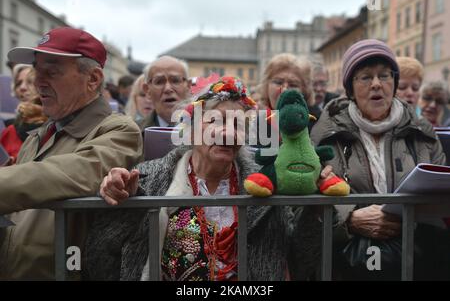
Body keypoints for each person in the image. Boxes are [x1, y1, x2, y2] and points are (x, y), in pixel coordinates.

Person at [84, 76, 331, 281]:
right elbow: (100, 258)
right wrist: (123, 201)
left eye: (238, 125)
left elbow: (300, 260)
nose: (229, 132)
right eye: (217, 121)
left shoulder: (266, 184)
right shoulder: (147, 180)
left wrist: (317, 209)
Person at [0, 27, 143, 280]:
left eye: (51, 71)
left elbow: (64, 174)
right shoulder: (38, 136)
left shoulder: (120, 130)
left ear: (93, 79)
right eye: (37, 70)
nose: (37, 81)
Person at [311, 39, 449, 280]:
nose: (376, 84)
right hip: (348, 262)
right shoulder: (326, 134)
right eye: (365, 77)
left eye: (384, 76)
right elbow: (306, 200)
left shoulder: (422, 131)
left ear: (394, 83)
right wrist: (350, 218)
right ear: (350, 89)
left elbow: (440, 192)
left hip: (417, 259)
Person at [259, 53, 320, 130]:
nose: (284, 90)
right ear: (266, 86)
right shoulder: (254, 125)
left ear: (305, 90)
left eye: (293, 85)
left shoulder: (318, 124)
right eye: (278, 82)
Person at [1, 69, 47, 163]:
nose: (22, 88)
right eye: (18, 83)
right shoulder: (10, 130)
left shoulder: (58, 127)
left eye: (30, 82)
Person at [139, 56, 191, 129]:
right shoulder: (133, 133)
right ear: (147, 90)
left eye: (175, 81)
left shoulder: (206, 131)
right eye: (159, 82)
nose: (168, 89)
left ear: (188, 86)